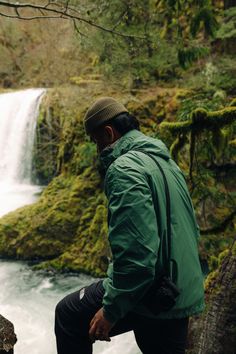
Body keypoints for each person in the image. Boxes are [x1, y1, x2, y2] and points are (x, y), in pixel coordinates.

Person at [55, 97, 205, 354]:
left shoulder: (124, 169)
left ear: (108, 133)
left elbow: (137, 257)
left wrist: (111, 311)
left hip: (153, 290)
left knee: (68, 314)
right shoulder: (167, 164)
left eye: (95, 141)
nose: (97, 148)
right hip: (182, 290)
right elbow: (191, 231)